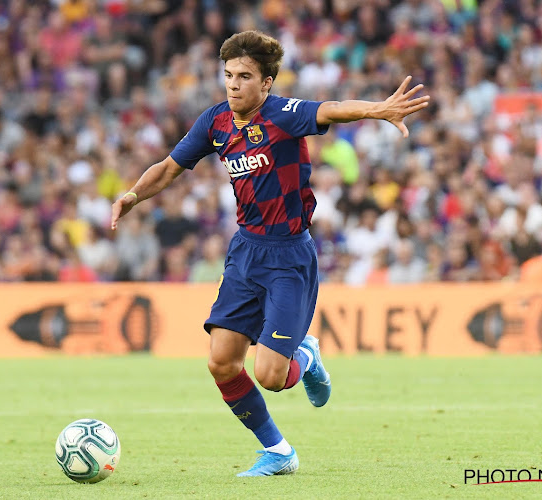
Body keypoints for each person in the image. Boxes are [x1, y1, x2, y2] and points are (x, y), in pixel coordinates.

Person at [110, 31, 429, 476]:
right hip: (245, 252)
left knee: (271, 376)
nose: (233, 85)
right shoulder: (215, 122)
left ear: (267, 83)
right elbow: (168, 168)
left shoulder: (283, 115)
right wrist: (132, 195)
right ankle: (279, 451)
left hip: (288, 257)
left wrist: (380, 109)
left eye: (244, 76)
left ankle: (305, 355)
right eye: (228, 75)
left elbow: (331, 110)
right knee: (221, 362)